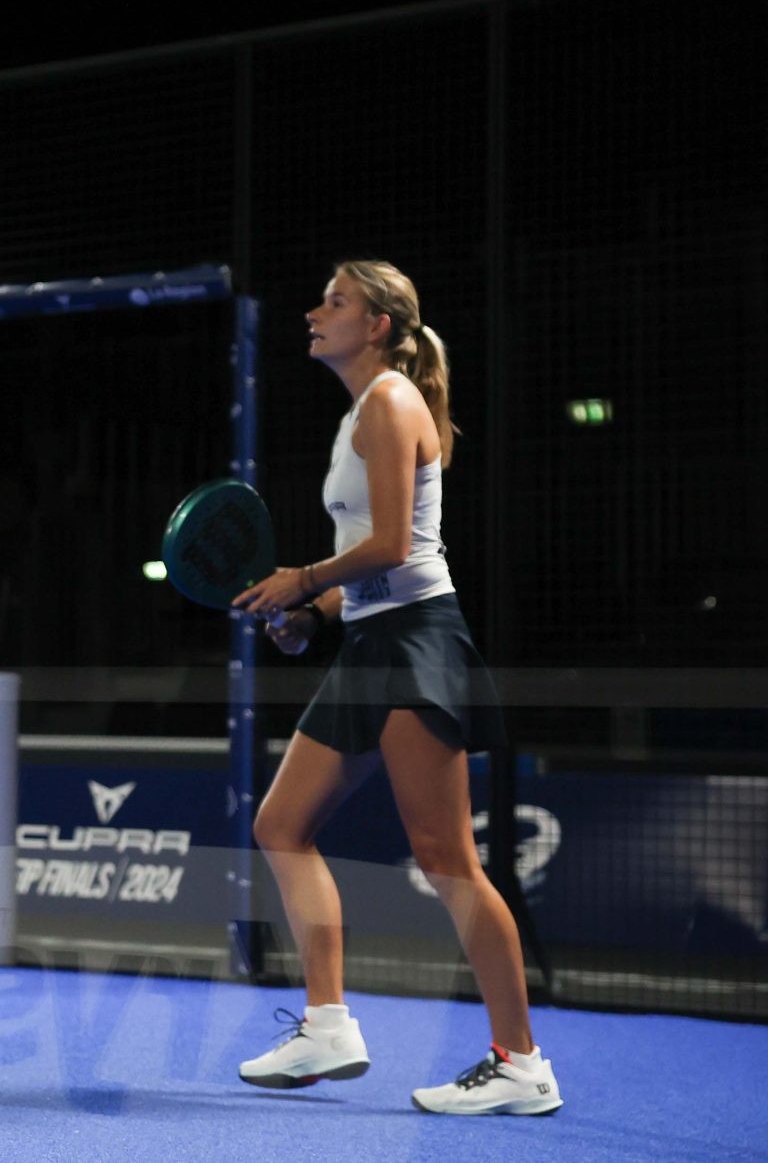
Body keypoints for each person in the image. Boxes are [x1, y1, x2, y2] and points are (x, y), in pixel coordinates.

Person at [230, 260, 558, 1116]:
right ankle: (327, 1025)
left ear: (376, 324)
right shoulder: (358, 414)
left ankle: (521, 1062)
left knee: (448, 857)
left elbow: (393, 549)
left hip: (417, 643)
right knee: (281, 825)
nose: (314, 310)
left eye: (334, 301)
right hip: (373, 640)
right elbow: (373, 566)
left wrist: (303, 578)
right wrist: (313, 616)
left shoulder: (389, 400)